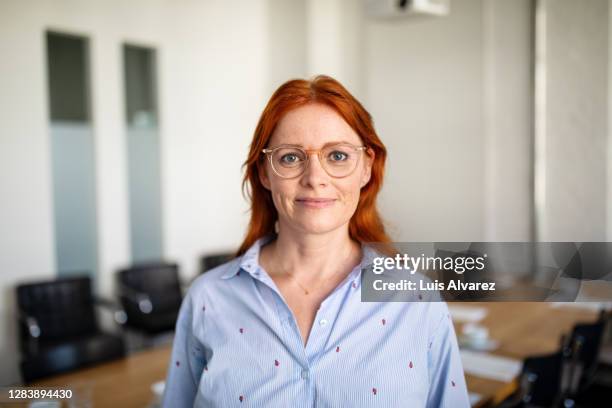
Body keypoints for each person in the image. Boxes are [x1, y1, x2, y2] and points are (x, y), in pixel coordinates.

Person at [162, 75, 469, 407]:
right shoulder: (208, 298)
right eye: (291, 157)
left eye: (337, 156)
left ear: (366, 167)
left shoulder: (418, 301)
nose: (315, 179)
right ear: (264, 172)